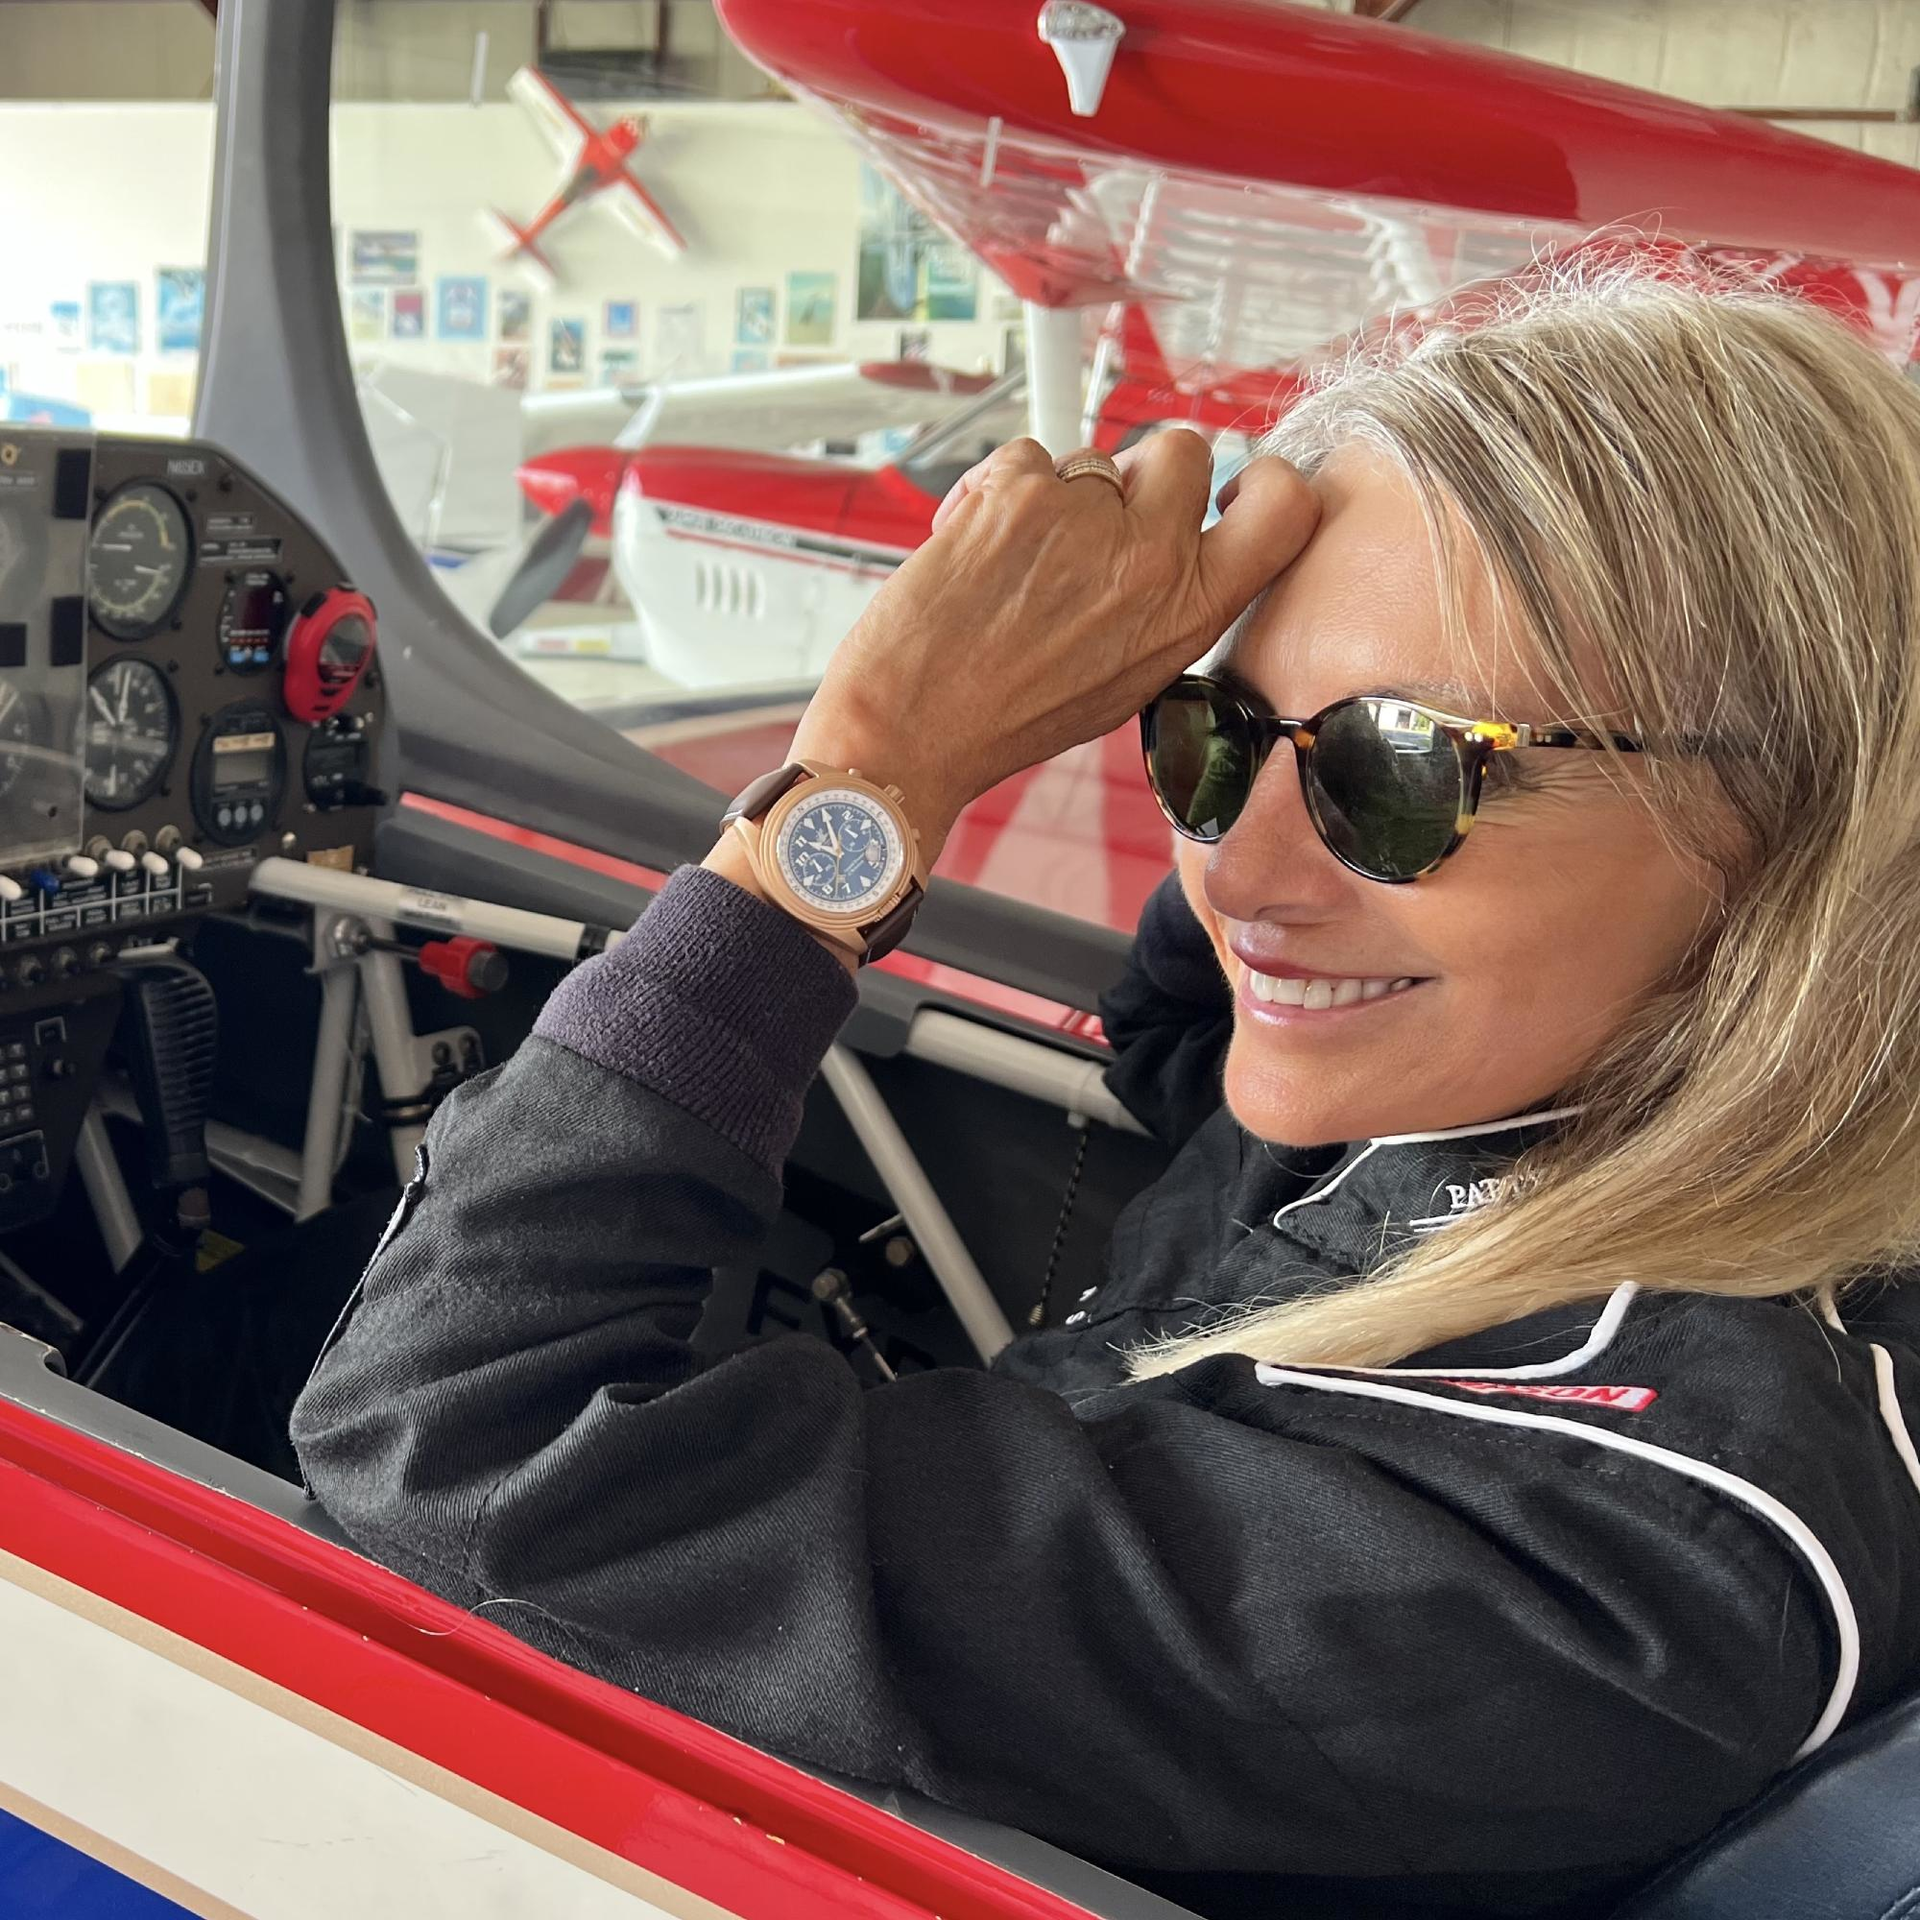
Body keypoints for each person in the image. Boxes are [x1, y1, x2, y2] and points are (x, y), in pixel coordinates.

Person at [292, 265, 1920, 1920]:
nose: (1239, 872)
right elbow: (1180, 1011)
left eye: (1403, 768)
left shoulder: (1608, 1557)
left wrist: (871, 770)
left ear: (1804, 826)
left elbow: (462, 1440)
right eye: (1206, 741)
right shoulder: (1530, 1094)